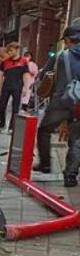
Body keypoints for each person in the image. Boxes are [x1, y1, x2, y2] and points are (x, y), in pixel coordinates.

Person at [35, 21, 80, 187]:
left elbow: (44, 75)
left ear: (69, 39)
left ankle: (45, 164)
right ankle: (70, 176)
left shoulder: (62, 56)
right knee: (76, 140)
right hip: (79, 105)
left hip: (61, 101)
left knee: (44, 130)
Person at [0, 42, 28, 133]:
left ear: (17, 50)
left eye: (11, 50)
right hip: (6, 87)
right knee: (1, 106)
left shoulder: (24, 61)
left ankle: (12, 127)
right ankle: (2, 125)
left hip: (17, 87)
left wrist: (26, 88)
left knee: (15, 108)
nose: (9, 52)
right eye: (8, 50)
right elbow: (0, 76)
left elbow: (25, 75)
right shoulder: (5, 62)